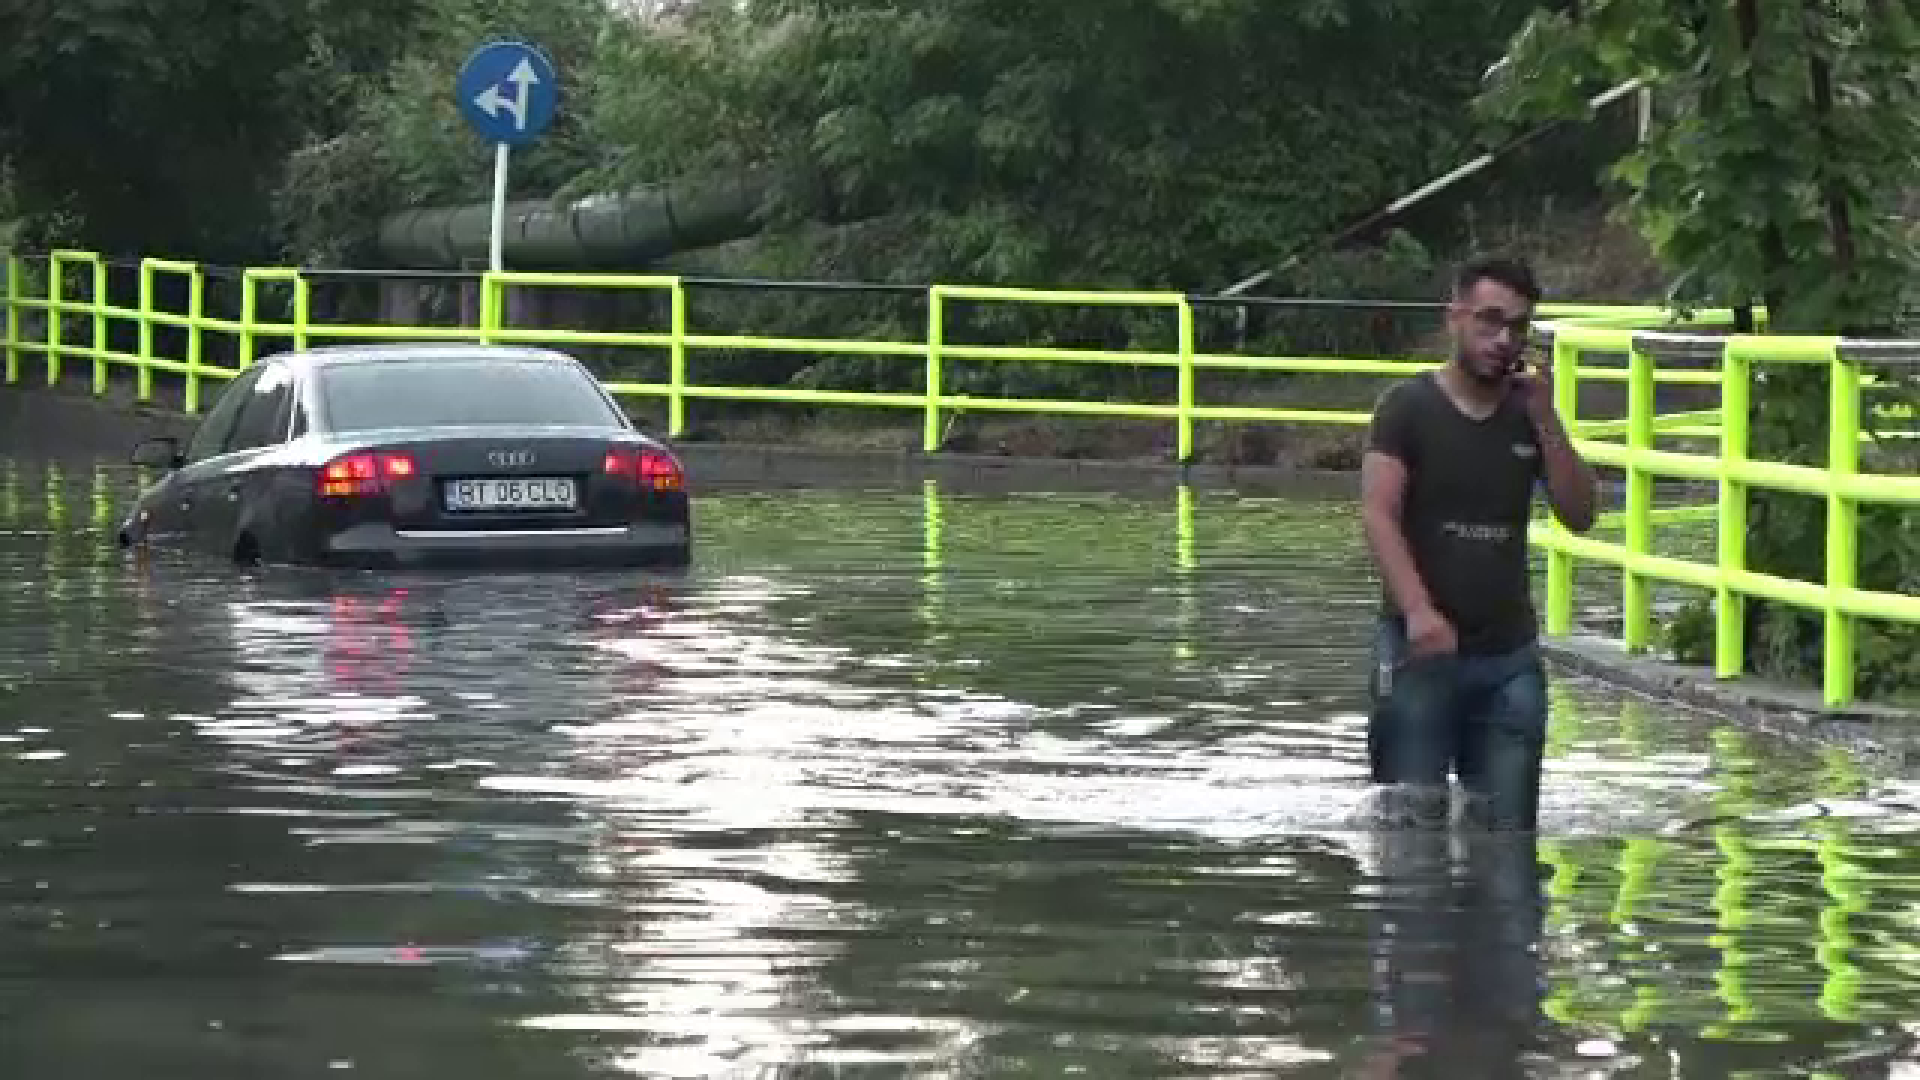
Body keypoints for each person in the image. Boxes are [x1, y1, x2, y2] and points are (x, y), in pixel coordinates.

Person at [1359, 253, 1598, 832]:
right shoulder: (1406, 408)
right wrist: (1418, 611)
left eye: (1517, 326)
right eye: (1489, 321)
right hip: (1420, 650)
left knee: (1509, 842)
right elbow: (1377, 513)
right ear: (1455, 317)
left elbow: (1580, 513)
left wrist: (1548, 418)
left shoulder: (1528, 415)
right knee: (1407, 837)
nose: (1502, 339)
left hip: (1508, 657)